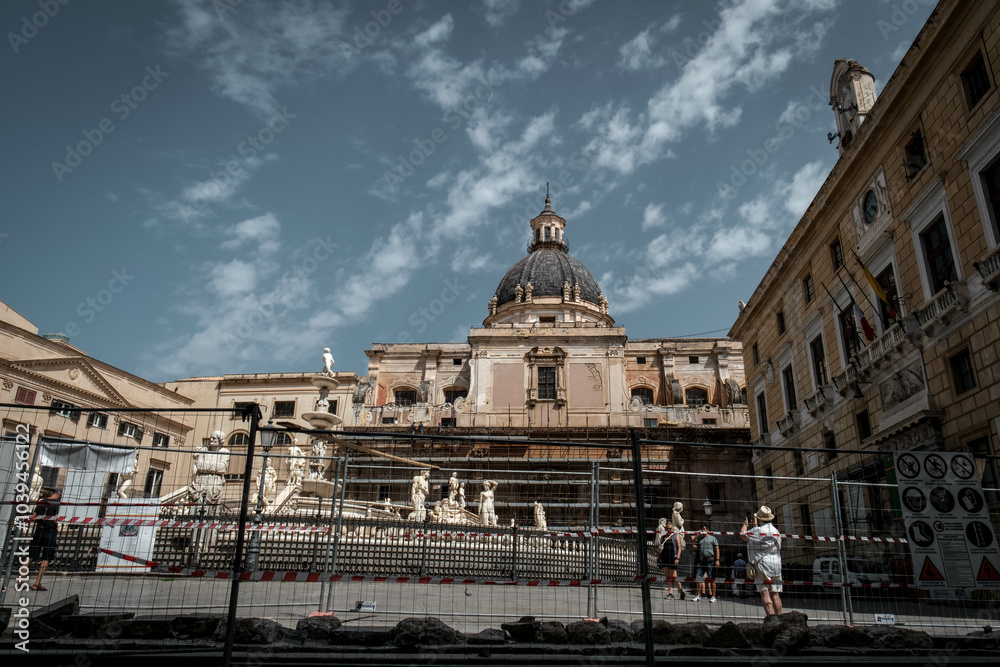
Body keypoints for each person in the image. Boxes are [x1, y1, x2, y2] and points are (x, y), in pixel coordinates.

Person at [740, 505, 783, 617]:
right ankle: (780, 617)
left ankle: (770, 617)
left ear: (759, 519)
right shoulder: (776, 531)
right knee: (775, 594)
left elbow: (742, 534)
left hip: (762, 565)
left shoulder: (758, 531)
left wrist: (745, 524)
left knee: (764, 592)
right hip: (776, 564)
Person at [28, 488, 62, 591]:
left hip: (38, 531)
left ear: (52, 493)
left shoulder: (41, 501)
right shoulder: (59, 504)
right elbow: (56, 519)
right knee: (46, 558)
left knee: (30, 555)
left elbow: (34, 515)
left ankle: (20, 580)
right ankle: (37, 583)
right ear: (60, 494)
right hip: (50, 532)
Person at [656, 519, 686, 599]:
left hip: (673, 557)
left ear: (672, 529)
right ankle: (670, 593)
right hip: (664, 557)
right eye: (667, 529)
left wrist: (677, 557)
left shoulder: (676, 536)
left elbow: (679, 547)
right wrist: (658, 558)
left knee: (674, 576)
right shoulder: (663, 537)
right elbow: (660, 549)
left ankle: (680, 590)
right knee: (667, 575)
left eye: (670, 529)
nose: (668, 530)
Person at [692, 523, 720, 603]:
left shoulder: (712, 538)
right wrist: (696, 536)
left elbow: (717, 548)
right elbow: (694, 546)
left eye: (704, 529)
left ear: (707, 529)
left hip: (710, 560)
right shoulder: (700, 539)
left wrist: (717, 560)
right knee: (698, 577)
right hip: (701, 560)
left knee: (711, 578)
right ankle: (698, 595)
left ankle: (713, 596)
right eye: (702, 529)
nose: (703, 530)